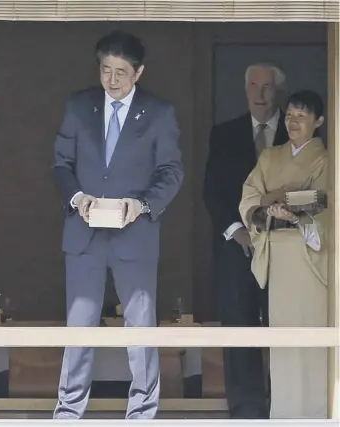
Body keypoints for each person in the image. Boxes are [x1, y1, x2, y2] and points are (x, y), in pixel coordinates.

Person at [52, 30, 184, 419]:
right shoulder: (79, 106)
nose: (112, 80)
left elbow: (172, 172)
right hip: (84, 232)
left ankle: (142, 411)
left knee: (140, 325)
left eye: (121, 72)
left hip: (135, 233)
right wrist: (78, 198)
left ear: (138, 72)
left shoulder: (159, 113)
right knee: (80, 325)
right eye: (106, 70)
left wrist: (141, 204)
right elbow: (61, 163)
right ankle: (69, 410)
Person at [202, 61, 288, 419]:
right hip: (237, 245)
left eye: (267, 87)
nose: (260, 93)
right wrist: (235, 230)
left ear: (277, 92)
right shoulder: (225, 133)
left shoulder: (298, 130)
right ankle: (245, 405)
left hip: (287, 247)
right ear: (245, 89)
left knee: (285, 321)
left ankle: (287, 399)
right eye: (253, 86)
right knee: (238, 319)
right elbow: (213, 192)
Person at [239, 90, 328, 419]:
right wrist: (270, 207)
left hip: (310, 257)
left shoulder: (326, 160)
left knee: (312, 336)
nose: (293, 122)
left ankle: (319, 413)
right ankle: (285, 414)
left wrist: (292, 210)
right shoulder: (269, 157)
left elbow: (325, 205)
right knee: (284, 341)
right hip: (279, 253)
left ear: (318, 122)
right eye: (289, 115)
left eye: (301, 116)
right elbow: (250, 196)